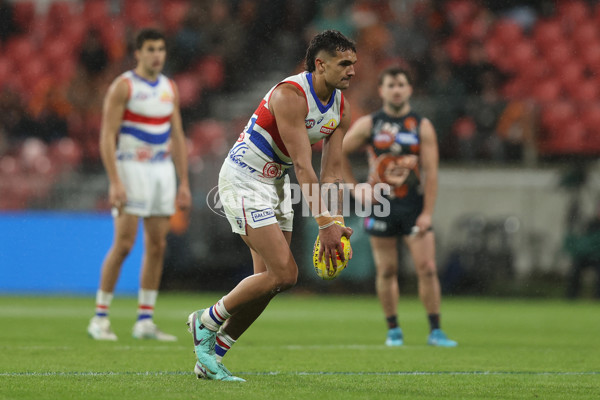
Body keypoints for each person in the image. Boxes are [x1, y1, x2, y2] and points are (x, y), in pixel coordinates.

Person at [187, 30, 356, 381]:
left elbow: (332, 170)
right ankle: (205, 320)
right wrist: (324, 225)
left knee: (270, 281)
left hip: (276, 182)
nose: (352, 71)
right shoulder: (290, 95)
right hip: (244, 177)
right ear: (320, 64)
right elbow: (305, 165)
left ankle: (212, 356)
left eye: (354, 63)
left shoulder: (341, 106)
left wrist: (336, 219)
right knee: (285, 273)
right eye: (344, 64)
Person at [87, 28, 191, 341]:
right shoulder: (124, 86)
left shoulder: (169, 87)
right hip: (131, 165)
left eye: (161, 49)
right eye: (150, 49)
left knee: (158, 244)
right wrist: (115, 180)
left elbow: (178, 136)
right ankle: (100, 317)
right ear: (138, 53)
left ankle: (144, 320)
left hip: (161, 169)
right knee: (124, 244)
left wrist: (183, 181)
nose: (157, 54)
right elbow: (107, 136)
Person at [341, 66, 457, 347]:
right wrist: (355, 188)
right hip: (380, 206)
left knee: (427, 267)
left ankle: (435, 330)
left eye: (400, 84)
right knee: (387, 270)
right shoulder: (370, 124)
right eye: (390, 85)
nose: (396, 89)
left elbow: (431, 173)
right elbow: (338, 152)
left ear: (409, 90)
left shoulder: (421, 126)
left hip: (413, 206)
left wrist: (428, 212)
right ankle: (393, 329)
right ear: (381, 91)